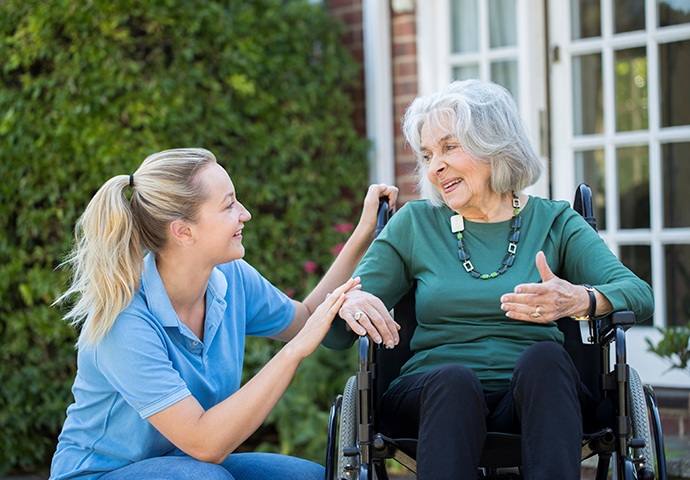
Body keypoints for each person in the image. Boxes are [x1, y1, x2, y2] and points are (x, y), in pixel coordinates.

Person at [322, 79, 654, 479]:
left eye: (449, 147)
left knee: (547, 360)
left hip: (535, 399)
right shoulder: (415, 224)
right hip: (433, 397)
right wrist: (351, 303)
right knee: (454, 381)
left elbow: (639, 295)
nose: (434, 167)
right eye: (427, 154)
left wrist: (582, 300)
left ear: (494, 144)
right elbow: (335, 335)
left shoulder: (554, 220)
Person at [49, 147, 398, 480]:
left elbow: (306, 318)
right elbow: (206, 444)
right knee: (203, 476)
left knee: (307, 477)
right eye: (229, 205)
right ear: (184, 232)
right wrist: (294, 352)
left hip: (184, 464)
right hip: (102, 473)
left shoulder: (230, 278)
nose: (244, 213)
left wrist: (363, 233)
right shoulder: (124, 320)